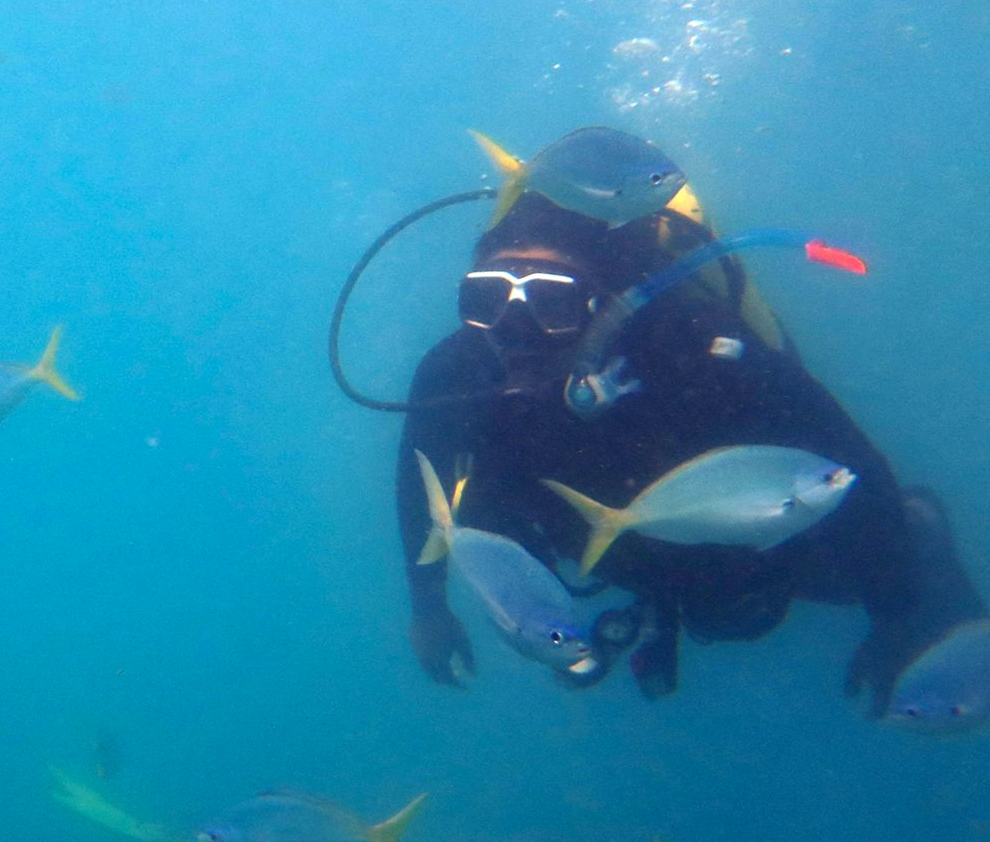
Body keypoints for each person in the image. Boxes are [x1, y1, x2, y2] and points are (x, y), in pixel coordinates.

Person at [395, 195, 983, 709]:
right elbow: (418, 481)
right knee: (477, 507)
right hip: (616, 541)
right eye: (487, 297)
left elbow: (849, 459)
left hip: (747, 535)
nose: (512, 327)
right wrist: (430, 608)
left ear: (605, 301)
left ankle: (919, 534)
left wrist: (895, 617)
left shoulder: (693, 342)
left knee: (736, 609)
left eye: (552, 302)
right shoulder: (456, 368)